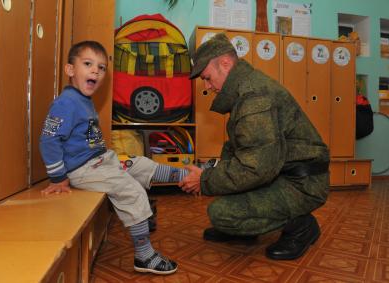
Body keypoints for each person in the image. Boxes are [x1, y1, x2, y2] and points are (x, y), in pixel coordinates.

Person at [39, 40, 188, 275]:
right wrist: (58, 177)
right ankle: (144, 256)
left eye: (101, 68)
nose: (95, 71)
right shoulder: (65, 103)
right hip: (84, 170)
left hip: (101, 161)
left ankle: (188, 176)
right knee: (131, 190)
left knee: (141, 164)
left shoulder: (83, 101)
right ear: (70, 70)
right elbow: (48, 140)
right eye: (88, 64)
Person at [180, 33, 330, 260]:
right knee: (230, 153)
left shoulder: (254, 98)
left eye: (208, 78)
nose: (207, 86)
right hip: (282, 173)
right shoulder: (246, 89)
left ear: (225, 63)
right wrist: (212, 175)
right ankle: (246, 230)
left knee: (221, 213)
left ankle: (302, 226)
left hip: (302, 184)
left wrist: (204, 180)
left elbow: (256, 168)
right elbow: (244, 151)